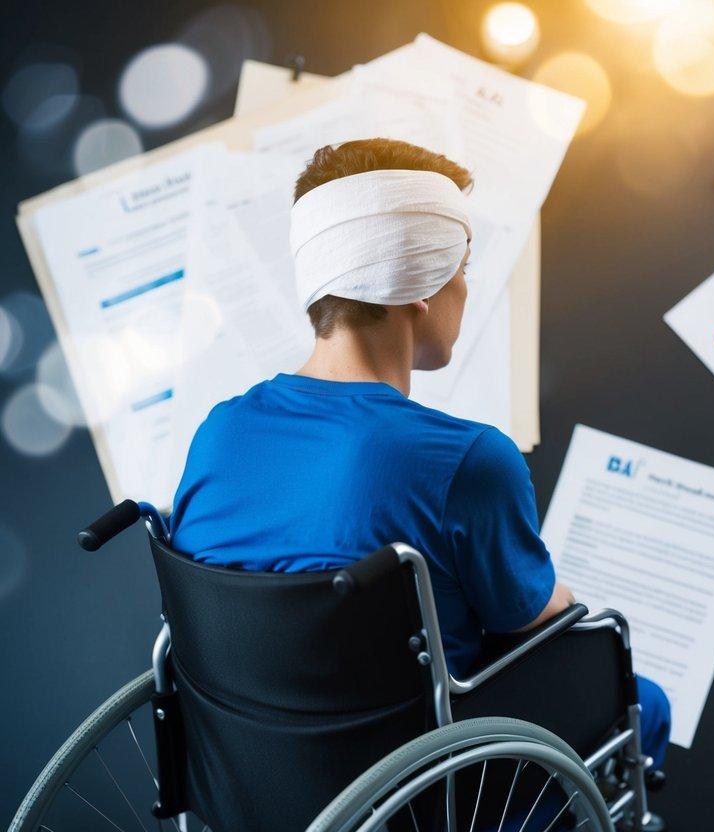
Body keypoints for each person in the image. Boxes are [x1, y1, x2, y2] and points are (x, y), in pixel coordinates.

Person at [168, 138, 671, 782]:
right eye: (462, 265)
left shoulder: (219, 432)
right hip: (417, 787)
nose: (465, 284)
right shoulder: (466, 459)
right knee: (644, 702)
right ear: (422, 285)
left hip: (248, 776)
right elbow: (534, 618)